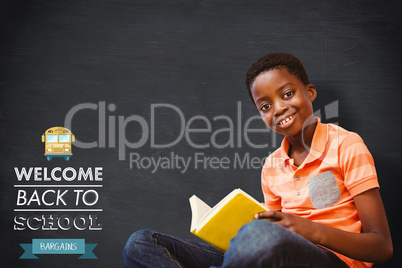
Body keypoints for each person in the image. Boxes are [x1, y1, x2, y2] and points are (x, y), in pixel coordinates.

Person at [123, 53, 393, 268]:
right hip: (272, 254)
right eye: (265, 106)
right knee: (142, 243)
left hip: (334, 261)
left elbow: (381, 247)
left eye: (287, 94)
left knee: (259, 235)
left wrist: (310, 231)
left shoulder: (346, 145)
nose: (279, 109)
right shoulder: (271, 166)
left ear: (310, 92)